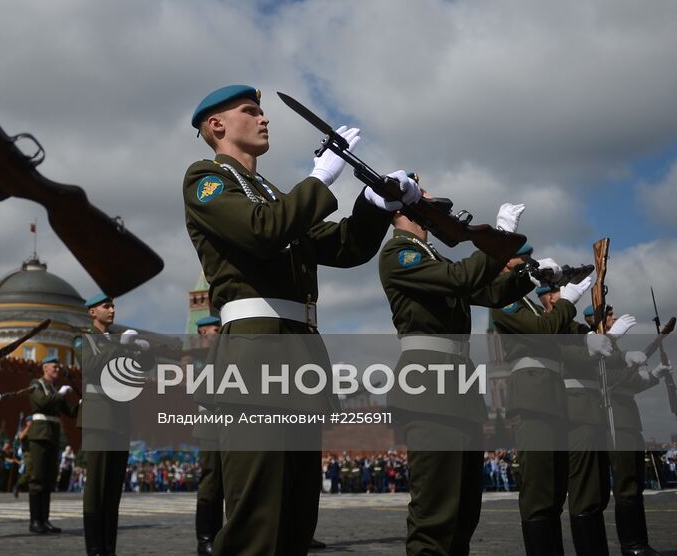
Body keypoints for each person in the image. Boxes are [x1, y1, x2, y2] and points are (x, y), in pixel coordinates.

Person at [183, 85, 409, 556]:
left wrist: (375, 204)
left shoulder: (274, 193)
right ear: (216, 125)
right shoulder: (206, 178)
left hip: (297, 354)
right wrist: (322, 176)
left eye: (264, 111)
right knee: (257, 515)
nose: (264, 119)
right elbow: (261, 231)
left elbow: (344, 247)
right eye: (251, 111)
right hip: (254, 354)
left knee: (296, 512)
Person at [378, 195, 533, 556]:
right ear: (405, 209)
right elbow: (463, 278)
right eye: (429, 203)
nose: (440, 210)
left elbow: (491, 291)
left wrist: (529, 274)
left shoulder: (435, 257)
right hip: (429, 390)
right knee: (435, 515)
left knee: (464, 513)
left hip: (458, 390)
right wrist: (499, 238)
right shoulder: (399, 252)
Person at [491, 265, 595, 555]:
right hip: (532, 401)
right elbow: (543, 331)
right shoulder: (506, 300)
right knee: (539, 492)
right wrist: (567, 301)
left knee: (555, 492)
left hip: (554, 400)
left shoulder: (534, 308)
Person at [75, 293, 153, 556]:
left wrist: (142, 351)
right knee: (97, 484)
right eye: (106, 306)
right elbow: (90, 364)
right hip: (98, 417)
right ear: (91, 312)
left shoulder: (118, 340)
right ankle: (94, 548)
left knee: (113, 487)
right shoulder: (84, 339)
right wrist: (120, 346)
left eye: (113, 306)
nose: (112, 310)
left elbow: (144, 367)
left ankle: (109, 547)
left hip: (120, 416)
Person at [561, 302, 634, 554]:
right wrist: (612, 339)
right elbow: (586, 360)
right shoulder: (560, 331)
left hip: (595, 411)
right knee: (586, 493)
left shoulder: (579, 331)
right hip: (579, 412)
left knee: (600, 491)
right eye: (609, 314)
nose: (613, 317)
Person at [603, 307, 668, 556]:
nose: (615, 316)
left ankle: (640, 542)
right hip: (615, 420)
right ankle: (632, 545)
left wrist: (653, 376)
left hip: (628, 418)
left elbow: (631, 385)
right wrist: (635, 367)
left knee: (635, 484)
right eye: (609, 314)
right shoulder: (601, 349)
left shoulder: (614, 350)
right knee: (627, 485)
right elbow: (615, 380)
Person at [25, 354, 77, 535]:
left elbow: (69, 412)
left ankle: (44, 520)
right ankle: (35, 521)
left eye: (58, 367)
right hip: (40, 436)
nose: (57, 369)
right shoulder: (36, 385)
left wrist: (81, 403)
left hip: (52, 436)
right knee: (38, 479)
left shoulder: (54, 390)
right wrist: (61, 394)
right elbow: (42, 402)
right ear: (45, 368)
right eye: (54, 366)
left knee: (47, 481)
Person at [192, 315, 223, 555]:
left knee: (226, 482)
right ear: (203, 334)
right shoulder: (198, 360)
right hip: (210, 420)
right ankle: (205, 539)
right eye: (216, 330)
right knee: (211, 481)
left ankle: (220, 536)